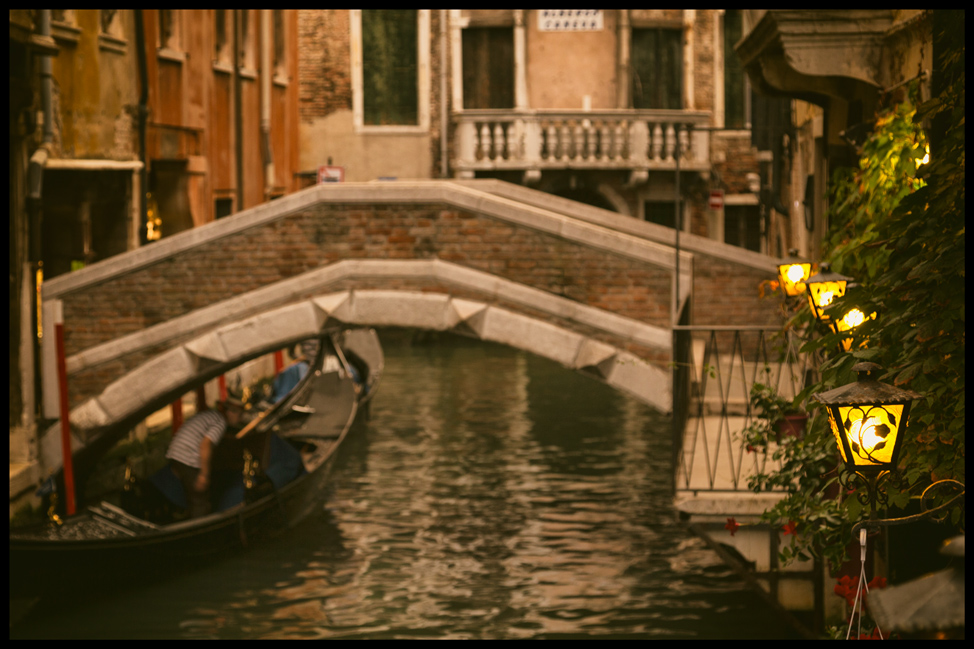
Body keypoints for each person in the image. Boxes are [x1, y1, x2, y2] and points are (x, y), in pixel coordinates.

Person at [165, 398, 244, 518]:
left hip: (176, 453)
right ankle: (199, 532)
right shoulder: (220, 423)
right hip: (186, 456)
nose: (241, 419)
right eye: (240, 415)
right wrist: (204, 474)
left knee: (191, 497)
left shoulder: (211, 415)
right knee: (200, 502)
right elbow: (205, 445)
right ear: (230, 412)